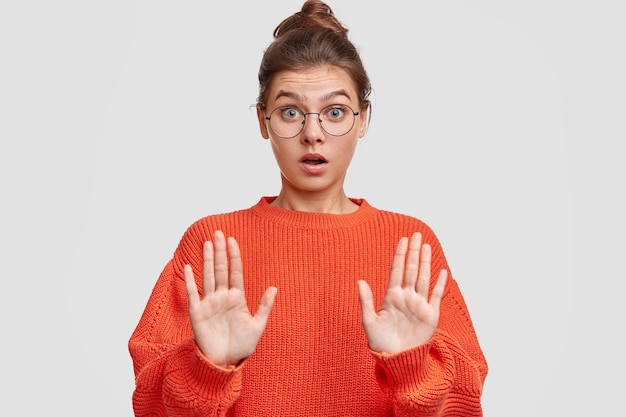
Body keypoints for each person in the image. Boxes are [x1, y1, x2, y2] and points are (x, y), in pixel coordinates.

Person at [128, 1, 488, 415]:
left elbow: (466, 403)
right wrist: (210, 367)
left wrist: (412, 367)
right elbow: (149, 405)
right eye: (290, 112)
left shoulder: (411, 245)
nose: (312, 134)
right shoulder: (210, 244)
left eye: (335, 112)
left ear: (364, 119)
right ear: (263, 121)